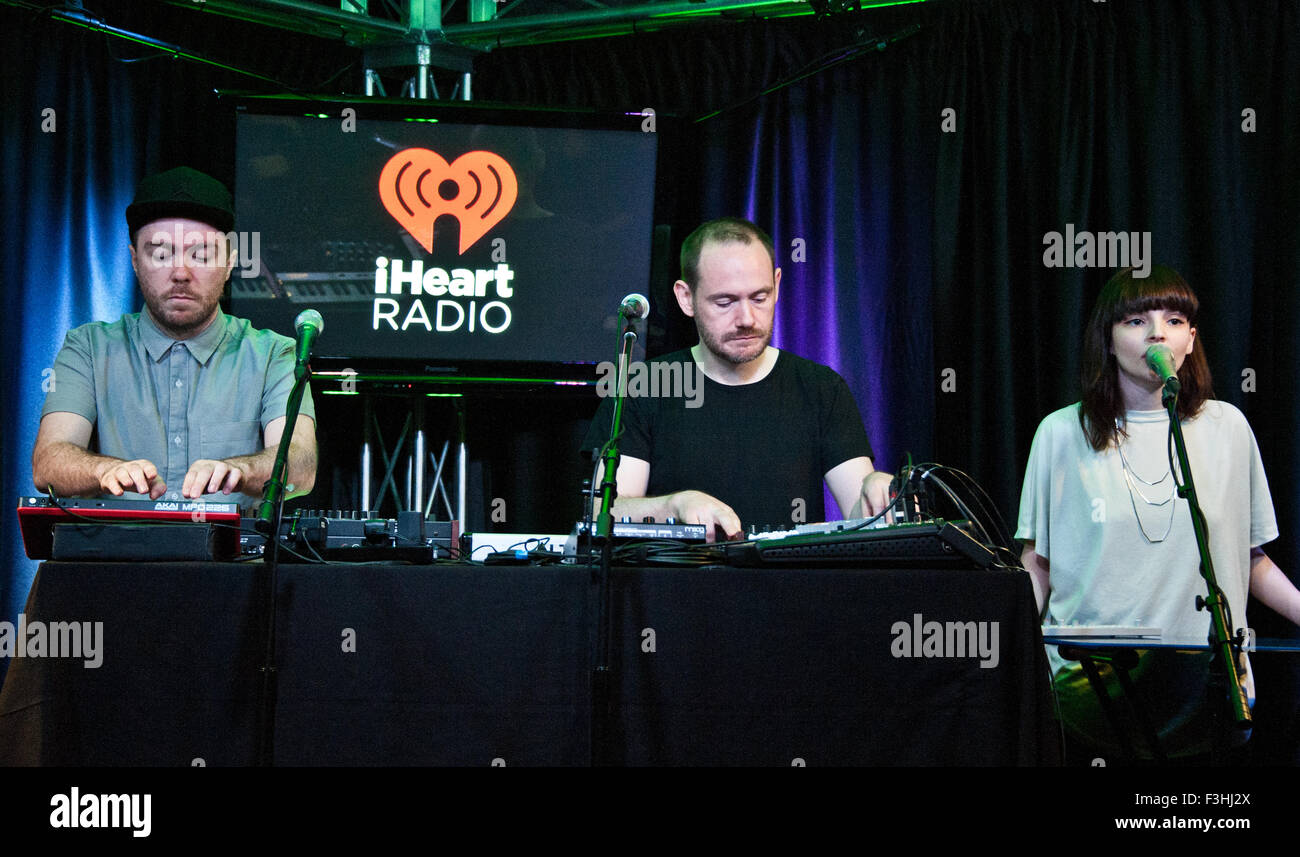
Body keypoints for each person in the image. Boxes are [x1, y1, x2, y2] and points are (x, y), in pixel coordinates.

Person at [1017, 265, 1300, 760]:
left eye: (1173, 320)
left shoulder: (1227, 427)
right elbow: (1036, 565)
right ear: (1107, 339)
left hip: (1205, 684)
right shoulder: (1061, 433)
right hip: (1088, 683)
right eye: (1136, 321)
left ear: (1191, 339)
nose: (1157, 334)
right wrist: (999, 650)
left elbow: (1248, 558)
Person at [582, 217, 893, 542]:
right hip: (672, 589)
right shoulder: (645, 385)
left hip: (790, 588)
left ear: (777, 283)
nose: (746, 319)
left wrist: (878, 493)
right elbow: (604, 512)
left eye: (759, 298)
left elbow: (861, 514)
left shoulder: (821, 388)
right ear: (686, 298)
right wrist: (675, 506)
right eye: (725, 302)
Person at [31, 166, 316, 510]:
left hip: (237, 562)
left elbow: (301, 467)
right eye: (161, 253)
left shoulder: (274, 354)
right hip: (119, 559)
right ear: (135, 261)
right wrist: (104, 469)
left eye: (201, 254)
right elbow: (48, 463)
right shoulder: (88, 348)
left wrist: (239, 469)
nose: (181, 273)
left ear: (229, 262)